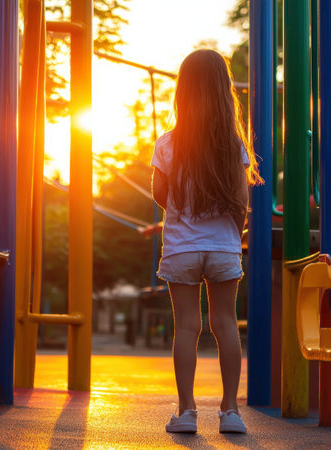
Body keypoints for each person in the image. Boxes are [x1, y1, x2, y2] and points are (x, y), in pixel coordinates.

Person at [151, 49, 263, 434]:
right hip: (222, 246)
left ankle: (186, 412)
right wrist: (229, 232)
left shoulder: (168, 142)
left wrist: (185, 213)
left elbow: (158, 193)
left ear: (182, 91)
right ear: (223, 90)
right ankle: (230, 412)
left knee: (186, 326)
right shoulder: (233, 144)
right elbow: (241, 204)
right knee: (225, 323)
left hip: (181, 246)